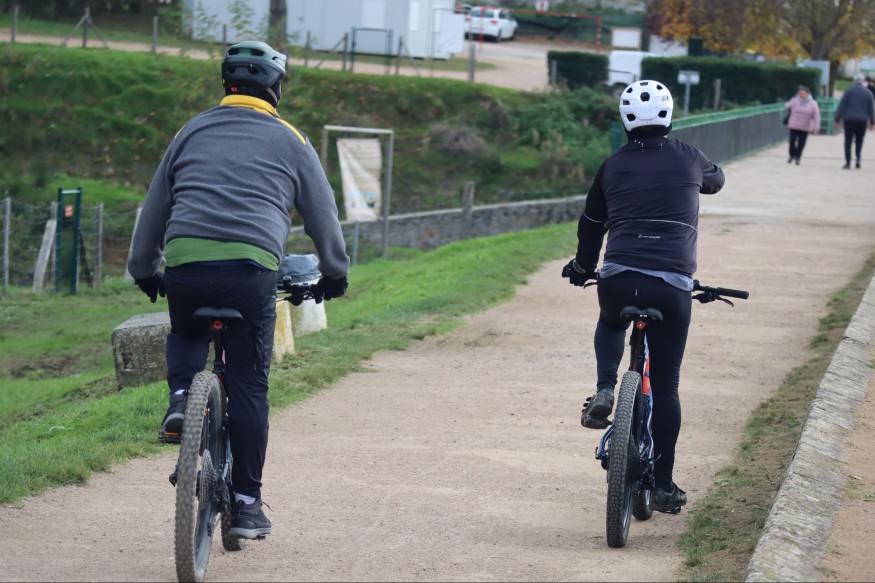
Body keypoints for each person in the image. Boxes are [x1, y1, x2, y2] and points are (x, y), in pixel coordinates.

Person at [127, 40, 350, 540]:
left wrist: (144, 271)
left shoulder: (190, 131)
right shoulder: (293, 140)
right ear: (275, 90)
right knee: (248, 381)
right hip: (251, 272)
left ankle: (181, 400)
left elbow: (154, 210)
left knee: (187, 330)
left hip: (186, 264)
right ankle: (247, 505)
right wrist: (335, 274)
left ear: (225, 86)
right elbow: (323, 217)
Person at [561, 80, 725, 513]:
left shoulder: (612, 164)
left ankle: (605, 387)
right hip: (671, 285)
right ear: (669, 116)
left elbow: (591, 224)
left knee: (610, 319)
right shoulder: (689, 156)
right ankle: (664, 486)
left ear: (625, 119)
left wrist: (582, 267)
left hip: (618, 278)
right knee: (666, 386)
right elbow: (717, 181)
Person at [833, 73, 875, 169]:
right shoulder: (868, 93)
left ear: (854, 81)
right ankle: (858, 158)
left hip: (849, 120)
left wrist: (837, 119)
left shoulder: (848, 92)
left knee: (848, 141)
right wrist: (872, 122)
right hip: (862, 121)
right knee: (859, 140)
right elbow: (871, 109)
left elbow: (842, 106)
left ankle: (848, 162)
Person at [783, 85, 820, 165]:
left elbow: (816, 116)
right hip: (794, 125)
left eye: (803, 94)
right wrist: (789, 105)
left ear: (807, 94)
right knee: (792, 140)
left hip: (805, 126)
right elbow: (786, 106)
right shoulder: (795, 100)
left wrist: (815, 128)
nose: (801, 95)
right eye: (800, 93)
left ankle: (798, 157)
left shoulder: (813, 104)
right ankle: (791, 155)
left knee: (801, 143)